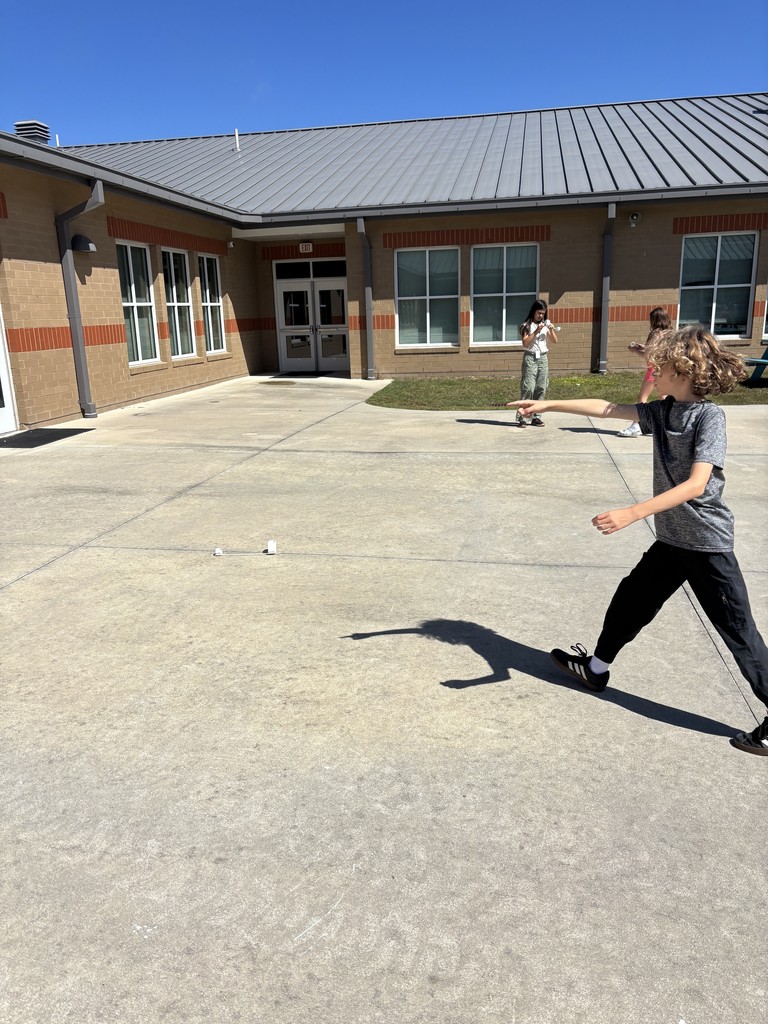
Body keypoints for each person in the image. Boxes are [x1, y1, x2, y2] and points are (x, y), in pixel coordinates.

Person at [508, 324, 768, 756]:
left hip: (706, 545)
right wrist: (550, 402)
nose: (652, 371)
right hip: (672, 541)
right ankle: (595, 668)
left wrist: (632, 512)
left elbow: (697, 484)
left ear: (684, 372)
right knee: (631, 601)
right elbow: (609, 409)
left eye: (660, 366)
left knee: (739, 632)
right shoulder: (665, 410)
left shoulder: (709, 417)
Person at [617, 306, 672, 437]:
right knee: (664, 398)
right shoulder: (669, 334)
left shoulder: (655, 333)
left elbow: (648, 355)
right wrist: (643, 346)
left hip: (653, 370)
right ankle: (667, 425)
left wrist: (634, 350)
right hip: (664, 369)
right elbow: (655, 350)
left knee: (642, 398)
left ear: (655, 319)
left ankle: (636, 425)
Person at [517, 300, 559, 427]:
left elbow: (555, 341)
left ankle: (536, 416)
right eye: (539, 313)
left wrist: (550, 329)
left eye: (543, 313)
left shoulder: (545, 325)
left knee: (541, 387)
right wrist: (536, 332)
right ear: (533, 312)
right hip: (530, 357)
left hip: (543, 358)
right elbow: (525, 343)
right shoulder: (526, 325)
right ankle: (523, 417)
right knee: (528, 387)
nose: (541, 316)